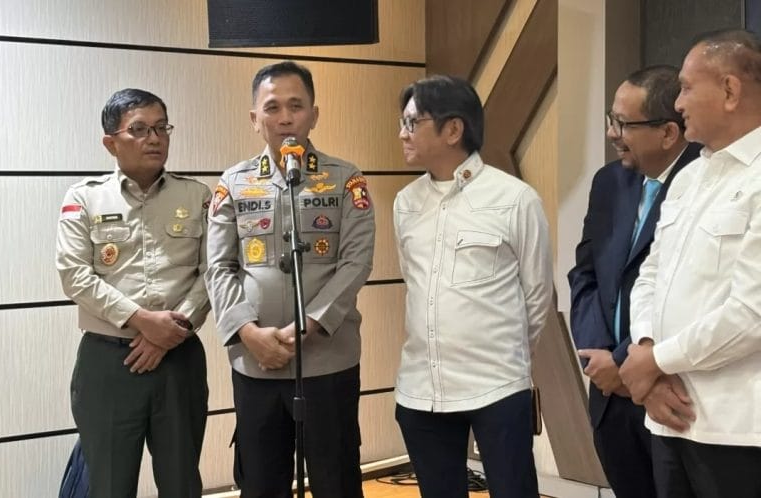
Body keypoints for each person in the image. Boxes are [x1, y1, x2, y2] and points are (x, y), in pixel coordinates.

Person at [205, 61, 374, 498]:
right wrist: (248, 333)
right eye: (273, 107)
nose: (285, 118)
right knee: (261, 483)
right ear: (254, 118)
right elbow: (218, 267)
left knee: (336, 481)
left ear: (314, 115)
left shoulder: (346, 179)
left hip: (327, 360)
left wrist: (309, 325)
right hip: (255, 362)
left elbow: (356, 262)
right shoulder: (234, 182)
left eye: (296, 106)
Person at [392, 75, 552, 498]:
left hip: (495, 386)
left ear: (452, 129)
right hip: (422, 389)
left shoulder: (515, 198)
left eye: (412, 123)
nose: (402, 133)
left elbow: (537, 295)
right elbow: (416, 284)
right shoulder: (406, 202)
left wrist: (509, 357)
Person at [620, 29, 761, 498]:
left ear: (729, 90)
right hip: (668, 416)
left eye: (685, 87)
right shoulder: (689, 177)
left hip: (737, 430)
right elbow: (651, 275)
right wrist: (646, 350)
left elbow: (752, 314)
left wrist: (654, 362)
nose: (677, 104)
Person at [55, 88, 211, 497]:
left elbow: (213, 271)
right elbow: (74, 274)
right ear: (111, 143)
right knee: (109, 485)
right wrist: (142, 321)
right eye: (139, 129)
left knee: (182, 483)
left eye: (162, 128)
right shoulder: (85, 197)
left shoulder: (197, 196)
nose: (154, 138)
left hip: (179, 361)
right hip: (109, 362)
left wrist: (169, 332)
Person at [567, 65, 701, 498]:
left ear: (668, 133)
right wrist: (597, 358)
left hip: (672, 391)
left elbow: (690, 292)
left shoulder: (704, 184)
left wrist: (627, 362)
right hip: (609, 392)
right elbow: (585, 274)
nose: (612, 133)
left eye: (623, 123)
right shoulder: (609, 182)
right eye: (611, 119)